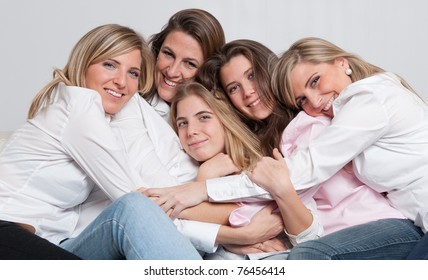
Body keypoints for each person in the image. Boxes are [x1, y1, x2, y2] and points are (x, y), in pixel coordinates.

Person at [144, 38, 424, 259]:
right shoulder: (272, 145)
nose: (248, 92)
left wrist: (199, 192)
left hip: (387, 227)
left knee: (306, 257)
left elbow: (294, 184)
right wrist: (235, 236)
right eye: (234, 88)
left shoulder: (325, 120)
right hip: (371, 232)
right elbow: (254, 212)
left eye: (253, 76)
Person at [0, 24, 201, 260]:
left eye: (133, 73)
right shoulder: (80, 110)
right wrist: (233, 233)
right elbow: (140, 199)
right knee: (135, 206)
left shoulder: (104, 117)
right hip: (6, 234)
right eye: (110, 65)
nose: (121, 82)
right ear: (85, 63)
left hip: (49, 242)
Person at [169, 81, 308, 259]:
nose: (191, 131)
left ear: (225, 119)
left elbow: (280, 223)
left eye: (204, 117)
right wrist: (204, 178)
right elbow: (179, 248)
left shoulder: (265, 166)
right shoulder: (180, 179)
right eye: (182, 123)